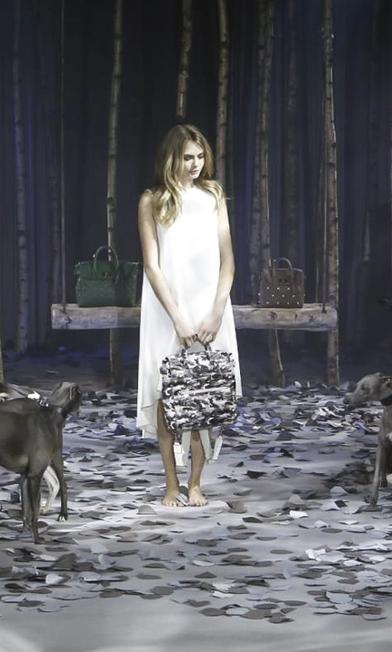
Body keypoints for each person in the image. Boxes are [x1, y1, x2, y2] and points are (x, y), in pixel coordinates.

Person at [137, 124, 242, 508]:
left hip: (209, 307)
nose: (195, 164)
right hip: (168, 309)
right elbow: (152, 266)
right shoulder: (152, 200)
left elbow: (228, 260)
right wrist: (178, 319)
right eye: (187, 157)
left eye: (200, 157)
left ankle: (195, 483)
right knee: (168, 396)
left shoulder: (213, 196)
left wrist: (216, 311)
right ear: (171, 158)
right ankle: (171, 483)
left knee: (205, 395)